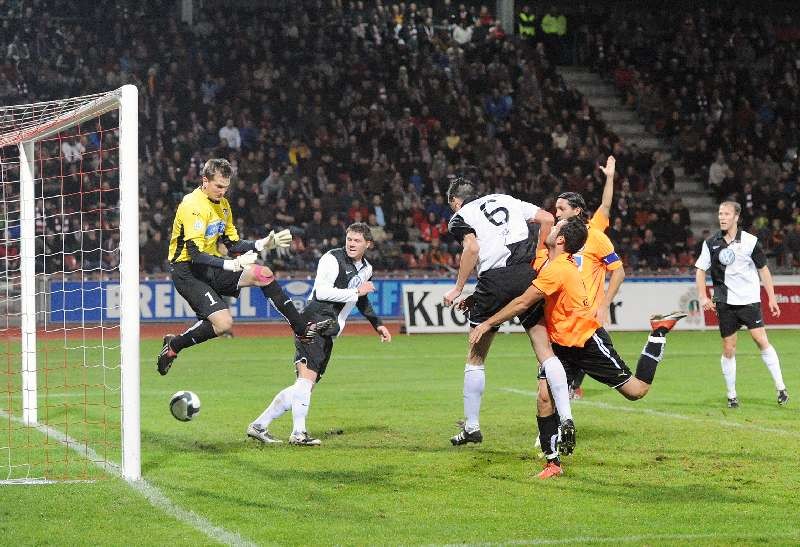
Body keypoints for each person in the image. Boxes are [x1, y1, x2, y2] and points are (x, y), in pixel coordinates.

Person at [470, 217, 686, 478]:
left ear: (560, 239)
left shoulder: (559, 268)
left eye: (557, 227)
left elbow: (521, 303)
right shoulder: (546, 261)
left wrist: (486, 324)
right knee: (544, 399)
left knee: (637, 391)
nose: (551, 228)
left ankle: (658, 333)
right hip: (560, 347)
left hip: (587, 341)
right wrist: (479, 296)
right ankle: (553, 463)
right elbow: (517, 283)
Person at [156, 158, 331, 375]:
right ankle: (173, 346)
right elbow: (194, 253)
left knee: (264, 273)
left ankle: (301, 329)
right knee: (223, 324)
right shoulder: (192, 205)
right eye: (218, 186)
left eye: (226, 187)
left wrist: (264, 243)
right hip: (187, 270)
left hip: (211, 265)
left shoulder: (224, 206)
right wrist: (231, 264)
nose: (222, 191)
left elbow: (233, 243)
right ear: (205, 181)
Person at [442, 174, 576, 453]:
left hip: (493, 282)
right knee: (544, 350)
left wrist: (457, 288)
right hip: (527, 275)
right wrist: (541, 256)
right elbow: (548, 219)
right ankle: (566, 418)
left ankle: (472, 425)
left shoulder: (459, 216)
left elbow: (472, 247)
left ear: (455, 201)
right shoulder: (505, 199)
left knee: (476, 356)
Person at [247, 222, 392, 445]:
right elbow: (322, 291)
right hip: (313, 323)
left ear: (368, 244)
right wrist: (356, 290)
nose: (352, 244)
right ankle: (298, 433)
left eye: (357, 241)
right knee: (305, 383)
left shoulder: (366, 269)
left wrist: (377, 323)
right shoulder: (331, 258)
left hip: (330, 330)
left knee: (304, 387)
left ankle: (259, 425)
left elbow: (361, 299)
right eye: (349, 239)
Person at [695, 201, 789, 408]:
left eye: (727, 214)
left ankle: (781, 387)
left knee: (760, 340)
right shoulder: (711, 243)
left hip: (749, 300)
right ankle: (732, 396)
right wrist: (703, 296)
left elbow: (764, 269)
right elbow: (700, 270)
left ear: (736, 217)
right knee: (729, 348)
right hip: (725, 302)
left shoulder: (750, 242)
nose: (722, 217)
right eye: (720, 213)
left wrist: (772, 297)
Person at [555, 156, 625, 399]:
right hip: (562, 315)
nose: (556, 214)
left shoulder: (593, 234)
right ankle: (568, 394)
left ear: (577, 211)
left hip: (587, 312)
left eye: (561, 209)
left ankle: (572, 390)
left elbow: (605, 207)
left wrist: (609, 178)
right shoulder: (556, 240)